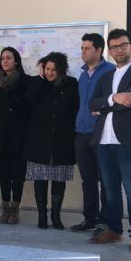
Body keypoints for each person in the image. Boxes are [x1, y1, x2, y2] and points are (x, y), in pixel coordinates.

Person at [89, 29, 131, 253]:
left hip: (128, 141)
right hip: (103, 141)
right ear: (110, 50)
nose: (119, 50)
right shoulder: (105, 76)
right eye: (114, 47)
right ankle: (114, 230)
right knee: (110, 189)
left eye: (123, 45)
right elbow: (92, 104)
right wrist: (113, 98)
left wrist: (104, 106)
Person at [23, 52, 79, 230]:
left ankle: (56, 215)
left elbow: (75, 108)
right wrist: (40, 78)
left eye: (54, 69)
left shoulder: (71, 84)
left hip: (62, 139)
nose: (50, 72)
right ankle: (42, 216)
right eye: (47, 69)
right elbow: (29, 99)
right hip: (39, 140)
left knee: (59, 179)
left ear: (61, 70)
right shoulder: (37, 83)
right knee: (40, 179)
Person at [71, 34, 115, 233]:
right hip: (81, 134)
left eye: (87, 48)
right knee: (87, 179)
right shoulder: (82, 74)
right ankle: (89, 218)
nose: (83, 52)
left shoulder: (110, 72)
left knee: (106, 179)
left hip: (101, 134)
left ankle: (105, 221)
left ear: (99, 50)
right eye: (82, 48)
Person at [0, 46, 32, 224]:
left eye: (8, 58)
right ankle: (5, 206)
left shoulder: (26, 81)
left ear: (16, 61)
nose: (5, 61)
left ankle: (15, 208)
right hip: (0, 133)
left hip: (19, 133)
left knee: (18, 172)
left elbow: (29, 108)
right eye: (2, 58)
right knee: (3, 172)